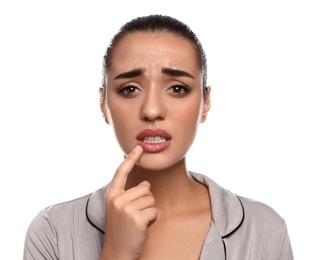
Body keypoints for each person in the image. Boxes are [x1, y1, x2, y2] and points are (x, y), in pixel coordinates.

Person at [23, 14, 293, 260]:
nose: (152, 110)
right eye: (129, 88)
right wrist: (116, 253)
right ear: (104, 103)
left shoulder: (264, 229)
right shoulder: (52, 232)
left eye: (177, 88)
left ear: (206, 102)